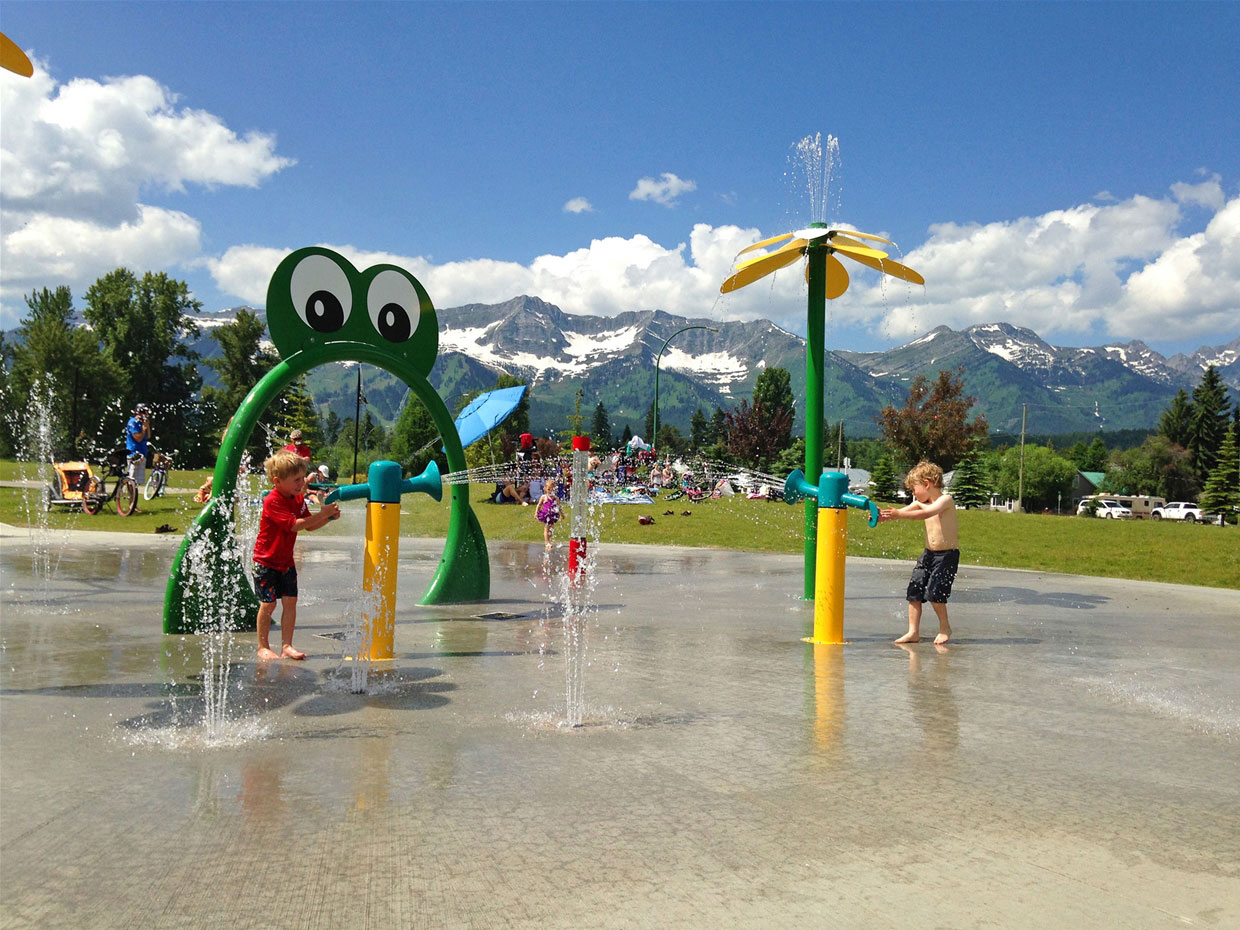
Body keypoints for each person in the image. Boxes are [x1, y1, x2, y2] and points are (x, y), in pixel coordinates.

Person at [252, 450, 340, 661]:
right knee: (269, 604)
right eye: (296, 480)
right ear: (277, 481)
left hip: (285, 562)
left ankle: (286, 646)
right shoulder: (272, 500)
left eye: (302, 478)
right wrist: (323, 514)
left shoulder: (297, 498)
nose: (302, 483)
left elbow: (308, 526)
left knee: (290, 602)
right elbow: (294, 526)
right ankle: (263, 646)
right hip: (266, 561)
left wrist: (328, 518)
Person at [878, 460, 959, 645]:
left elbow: (927, 513)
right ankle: (913, 632)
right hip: (928, 555)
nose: (913, 494)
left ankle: (945, 627)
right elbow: (902, 511)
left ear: (927, 483)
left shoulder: (945, 501)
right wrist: (885, 517)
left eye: (914, 489)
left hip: (946, 556)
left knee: (935, 593)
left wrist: (899, 514)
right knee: (914, 590)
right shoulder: (922, 503)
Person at [124, 404, 152, 490]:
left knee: (137, 481)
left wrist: (147, 426)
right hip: (133, 453)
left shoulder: (142, 423)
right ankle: (131, 500)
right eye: (142, 412)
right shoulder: (133, 422)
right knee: (131, 479)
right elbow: (138, 438)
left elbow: (148, 436)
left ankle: (134, 500)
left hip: (142, 453)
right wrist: (143, 429)